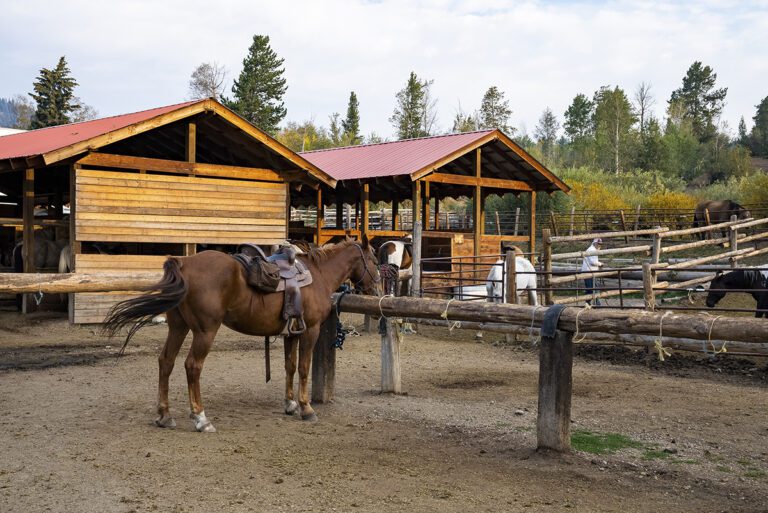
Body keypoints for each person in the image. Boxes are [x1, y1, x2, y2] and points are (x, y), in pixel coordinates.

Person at [581, 238, 604, 305]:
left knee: (590, 288)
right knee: (593, 288)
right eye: (598, 244)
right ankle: (597, 303)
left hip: (590, 271)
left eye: (600, 244)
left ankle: (588, 303)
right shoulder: (592, 250)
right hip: (589, 272)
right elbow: (593, 262)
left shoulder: (593, 250)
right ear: (594, 243)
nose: (599, 245)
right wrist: (600, 264)